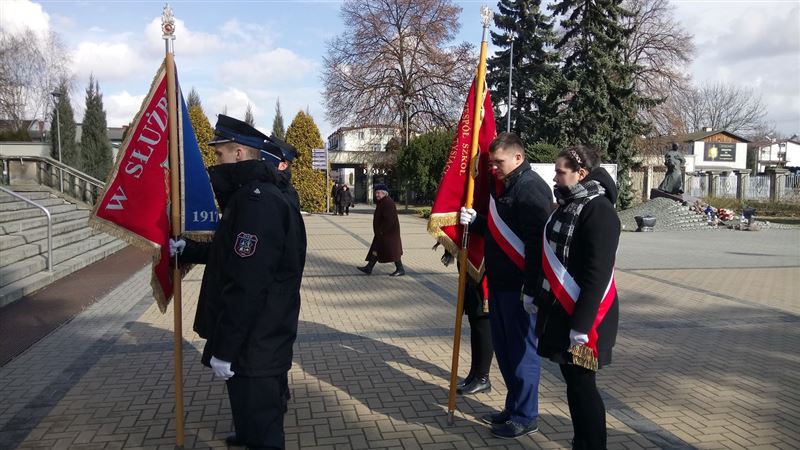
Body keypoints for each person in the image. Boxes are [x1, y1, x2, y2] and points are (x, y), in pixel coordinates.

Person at [169, 114, 304, 449]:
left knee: (264, 426)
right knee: (248, 409)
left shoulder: (258, 202)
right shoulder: (252, 195)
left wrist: (226, 348)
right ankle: (246, 432)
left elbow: (247, 284)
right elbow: (230, 252)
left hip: (256, 338)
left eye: (220, 154)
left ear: (239, 153)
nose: (216, 161)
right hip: (257, 334)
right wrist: (190, 249)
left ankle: (253, 435)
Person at [459, 132, 552, 439]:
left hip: (520, 288)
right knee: (506, 353)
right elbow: (500, 230)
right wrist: (476, 221)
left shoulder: (530, 188)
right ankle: (513, 408)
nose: (493, 168)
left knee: (522, 354)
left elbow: (536, 244)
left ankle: (526, 416)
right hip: (500, 285)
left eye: (498, 162)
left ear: (518, 157)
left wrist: (532, 288)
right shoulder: (506, 186)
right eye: (491, 163)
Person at [534, 145, 620, 450]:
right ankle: (581, 440)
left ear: (580, 173)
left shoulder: (599, 210)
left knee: (584, 387)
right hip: (562, 312)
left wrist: (582, 326)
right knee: (574, 384)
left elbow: (597, 274)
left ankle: (593, 444)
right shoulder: (568, 204)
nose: (554, 178)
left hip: (588, 319)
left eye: (560, 172)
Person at [440, 249, 494, 395]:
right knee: (475, 323)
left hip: (484, 268)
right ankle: (474, 374)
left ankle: (483, 377)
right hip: (472, 267)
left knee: (482, 324)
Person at [357, 183, 404, 276]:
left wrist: (382, 231)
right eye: (376, 193)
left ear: (384, 193)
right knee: (376, 249)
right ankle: (369, 267)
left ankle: (400, 269)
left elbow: (389, 220)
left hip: (388, 233)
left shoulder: (388, 203)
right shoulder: (382, 202)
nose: (377, 195)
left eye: (379, 193)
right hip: (382, 233)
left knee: (393, 251)